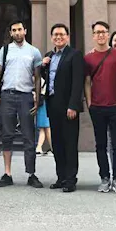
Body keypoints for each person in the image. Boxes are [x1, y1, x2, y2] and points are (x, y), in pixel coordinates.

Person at [0, 20, 44, 188]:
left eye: (20, 29)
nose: (17, 32)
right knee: (7, 135)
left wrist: (37, 98)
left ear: (25, 31)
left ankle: (31, 174)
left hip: (26, 96)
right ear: (11, 33)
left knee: (29, 136)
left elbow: (37, 76)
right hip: (7, 95)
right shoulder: (5, 50)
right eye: (14, 30)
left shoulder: (34, 52)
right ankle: (7, 173)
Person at [84, 21, 116, 194]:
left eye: (104, 32)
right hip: (97, 106)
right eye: (97, 32)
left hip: (115, 106)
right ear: (93, 35)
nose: (101, 35)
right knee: (100, 144)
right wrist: (89, 103)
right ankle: (104, 177)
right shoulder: (88, 58)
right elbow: (87, 82)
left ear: (108, 34)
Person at [42, 24, 84, 193]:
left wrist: (73, 105)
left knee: (69, 143)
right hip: (52, 104)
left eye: (61, 34)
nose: (58, 37)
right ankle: (61, 177)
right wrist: (43, 65)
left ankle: (71, 179)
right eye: (55, 35)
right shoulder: (49, 56)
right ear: (52, 37)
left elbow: (77, 82)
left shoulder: (74, 55)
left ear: (67, 36)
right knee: (57, 143)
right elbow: (44, 79)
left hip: (68, 106)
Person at [35, 77, 52, 157]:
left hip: (43, 104)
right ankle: (40, 147)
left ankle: (41, 147)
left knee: (46, 127)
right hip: (43, 103)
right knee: (45, 127)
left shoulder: (40, 80)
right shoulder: (43, 79)